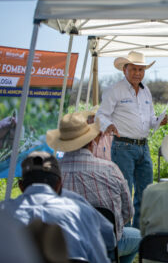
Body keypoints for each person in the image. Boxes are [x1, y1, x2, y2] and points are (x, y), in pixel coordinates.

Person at [47, 112, 141, 263]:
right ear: (91, 142)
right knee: (138, 236)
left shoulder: (50, 173)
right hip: (105, 247)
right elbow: (127, 213)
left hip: (63, 250)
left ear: (62, 143)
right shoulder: (111, 170)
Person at [96, 50, 168, 228]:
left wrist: (159, 121)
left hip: (143, 147)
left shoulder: (146, 91)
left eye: (141, 70)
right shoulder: (115, 90)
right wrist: (108, 125)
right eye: (134, 69)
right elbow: (100, 115)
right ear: (124, 70)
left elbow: (150, 120)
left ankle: (139, 232)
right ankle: (124, 233)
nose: (138, 73)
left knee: (146, 192)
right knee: (124, 193)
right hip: (123, 147)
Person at [0, 151, 114, 263]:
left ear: (21, 186)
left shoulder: (3, 214)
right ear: (59, 184)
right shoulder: (81, 212)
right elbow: (107, 246)